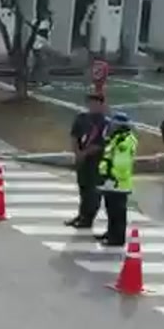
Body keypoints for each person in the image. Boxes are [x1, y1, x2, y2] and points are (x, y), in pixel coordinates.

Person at [65, 92, 108, 230]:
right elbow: (74, 136)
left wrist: (85, 153)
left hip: (97, 161)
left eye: (96, 103)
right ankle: (81, 215)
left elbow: (101, 144)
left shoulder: (105, 123)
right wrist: (77, 153)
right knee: (83, 188)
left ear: (102, 105)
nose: (93, 106)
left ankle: (88, 218)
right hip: (82, 160)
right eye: (90, 103)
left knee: (93, 191)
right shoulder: (81, 118)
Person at [97, 111, 137, 247]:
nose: (111, 126)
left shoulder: (124, 142)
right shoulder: (117, 138)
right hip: (111, 181)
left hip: (117, 182)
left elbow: (121, 163)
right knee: (111, 209)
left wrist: (111, 176)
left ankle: (117, 238)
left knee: (117, 212)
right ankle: (111, 232)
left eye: (114, 124)